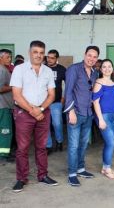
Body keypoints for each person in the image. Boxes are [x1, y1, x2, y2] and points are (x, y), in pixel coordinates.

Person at [10, 40, 58, 192]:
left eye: (41, 53)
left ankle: (43, 175)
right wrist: (33, 110)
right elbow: (16, 95)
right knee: (22, 148)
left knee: (41, 147)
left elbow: (52, 94)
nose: (38, 55)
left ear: (44, 54)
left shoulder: (48, 71)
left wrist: (41, 108)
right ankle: (21, 178)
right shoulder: (19, 69)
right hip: (24, 113)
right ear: (29, 52)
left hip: (43, 113)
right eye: (35, 52)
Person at [64, 45, 100, 186]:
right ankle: (72, 174)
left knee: (83, 144)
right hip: (76, 113)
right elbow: (68, 92)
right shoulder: (74, 69)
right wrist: (70, 111)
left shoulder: (95, 73)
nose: (91, 58)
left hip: (88, 113)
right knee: (73, 145)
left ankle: (80, 168)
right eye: (89, 55)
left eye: (95, 56)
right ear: (84, 54)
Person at [93, 59, 114, 179]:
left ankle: (105, 167)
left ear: (112, 68)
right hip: (103, 116)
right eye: (104, 67)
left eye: (109, 66)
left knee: (109, 143)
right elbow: (95, 102)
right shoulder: (98, 83)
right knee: (111, 143)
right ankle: (107, 169)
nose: (107, 69)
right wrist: (100, 119)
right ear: (101, 69)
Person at [45, 49, 66, 153]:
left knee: (57, 123)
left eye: (52, 58)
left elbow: (68, 84)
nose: (49, 59)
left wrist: (64, 97)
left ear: (57, 58)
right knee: (45, 124)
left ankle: (59, 141)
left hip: (56, 102)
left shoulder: (61, 69)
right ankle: (48, 146)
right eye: (48, 57)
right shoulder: (42, 68)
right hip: (43, 102)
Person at [0, 49, 15, 162]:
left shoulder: (5, 69)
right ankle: (3, 155)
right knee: (5, 131)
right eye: (8, 57)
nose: (10, 59)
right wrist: (13, 86)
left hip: (5, 105)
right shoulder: (1, 70)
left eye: (10, 57)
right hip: (3, 106)